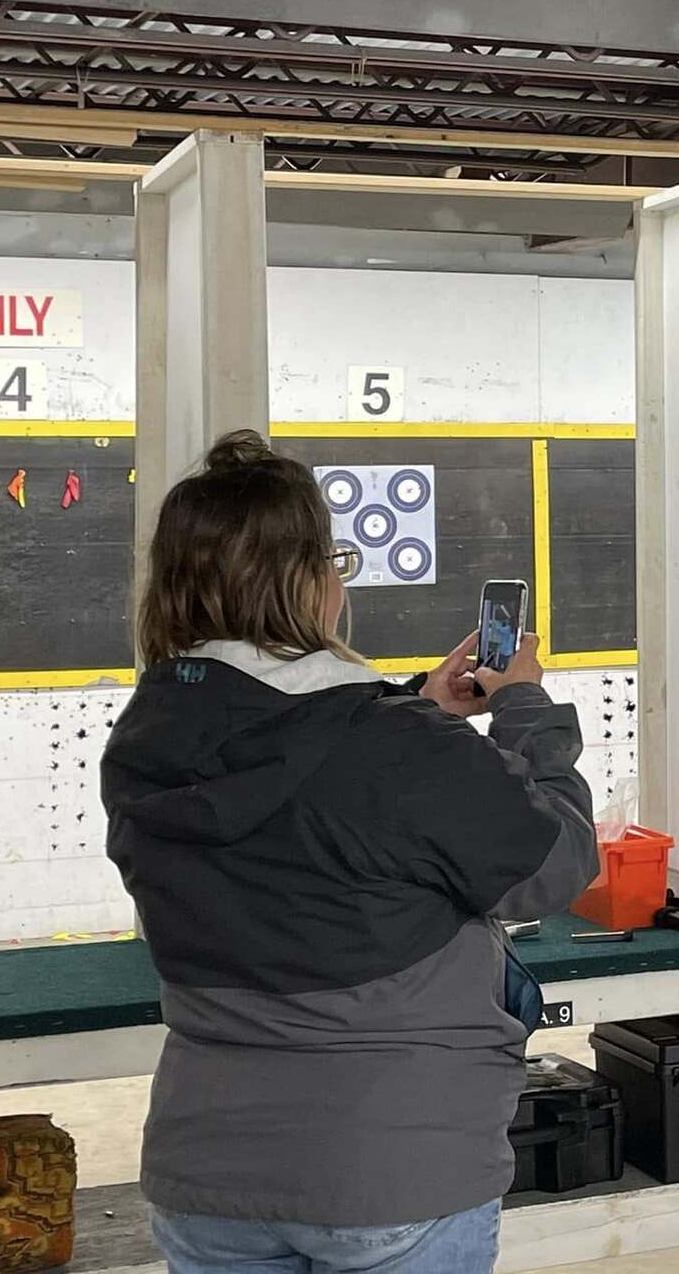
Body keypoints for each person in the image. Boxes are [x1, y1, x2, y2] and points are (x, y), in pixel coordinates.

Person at [102, 430, 599, 1274]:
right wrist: (525, 710)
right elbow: (553, 864)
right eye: (332, 559)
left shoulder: (146, 740)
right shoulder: (391, 747)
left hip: (208, 1174)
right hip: (390, 1166)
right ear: (303, 581)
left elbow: (293, 797)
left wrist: (416, 709)